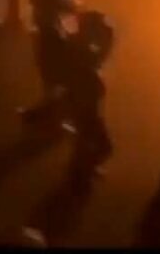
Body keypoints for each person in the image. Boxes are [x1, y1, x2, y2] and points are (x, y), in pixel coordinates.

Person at [20, 0, 77, 128]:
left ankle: (50, 112)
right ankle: (51, 113)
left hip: (44, 37)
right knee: (54, 77)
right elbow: (71, 9)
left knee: (51, 78)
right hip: (49, 38)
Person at [64, 12, 115, 189]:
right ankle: (81, 174)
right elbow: (99, 57)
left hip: (83, 107)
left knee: (84, 144)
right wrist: (108, 39)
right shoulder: (83, 53)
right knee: (103, 146)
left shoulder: (77, 46)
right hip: (86, 109)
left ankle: (80, 173)